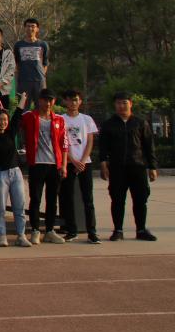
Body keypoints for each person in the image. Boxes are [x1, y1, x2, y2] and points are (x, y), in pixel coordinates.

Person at [99, 91, 158, 241]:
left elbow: (149, 146)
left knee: (140, 199)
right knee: (117, 200)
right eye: (118, 103)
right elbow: (103, 147)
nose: (121, 106)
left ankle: (141, 230)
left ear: (131, 104)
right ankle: (118, 230)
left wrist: (152, 167)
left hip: (137, 166)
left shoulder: (140, 123)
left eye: (124, 103)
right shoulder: (108, 124)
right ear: (114, 105)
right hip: (117, 168)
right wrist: (103, 164)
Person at [17, 89, 68, 245]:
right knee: (36, 198)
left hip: (54, 164)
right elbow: (15, 123)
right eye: (45, 100)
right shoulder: (29, 117)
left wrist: (64, 165)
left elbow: (64, 143)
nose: (48, 103)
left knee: (52, 199)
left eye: (51, 100)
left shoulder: (59, 119)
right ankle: (35, 230)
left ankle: (50, 231)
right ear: (39, 100)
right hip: (37, 164)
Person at [56, 90, 98, 243]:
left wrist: (83, 160)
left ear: (80, 101)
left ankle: (92, 232)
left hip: (85, 163)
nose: (73, 103)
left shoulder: (87, 119)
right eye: (70, 100)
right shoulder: (61, 119)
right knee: (68, 198)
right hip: (68, 163)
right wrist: (72, 160)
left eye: (75, 100)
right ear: (65, 101)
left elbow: (90, 141)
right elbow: (60, 142)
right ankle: (71, 230)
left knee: (88, 199)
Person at [0, 109, 31, 247]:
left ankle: (21, 235)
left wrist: (23, 100)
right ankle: (2, 236)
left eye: (5, 120)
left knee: (19, 205)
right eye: (0, 119)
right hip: (0, 174)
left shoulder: (10, 133)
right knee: (0, 207)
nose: (3, 122)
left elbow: (17, 117)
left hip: (16, 172)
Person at [13, 18, 49, 103]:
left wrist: (41, 76)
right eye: (28, 26)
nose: (30, 28)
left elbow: (45, 63)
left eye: (33, 26)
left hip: (39, 81)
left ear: (37, 29)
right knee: (22, 106)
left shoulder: (43, 44)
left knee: (41, 105)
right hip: (23, 81)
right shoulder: (18, 45)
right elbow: (16, 63)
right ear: (24, 28)